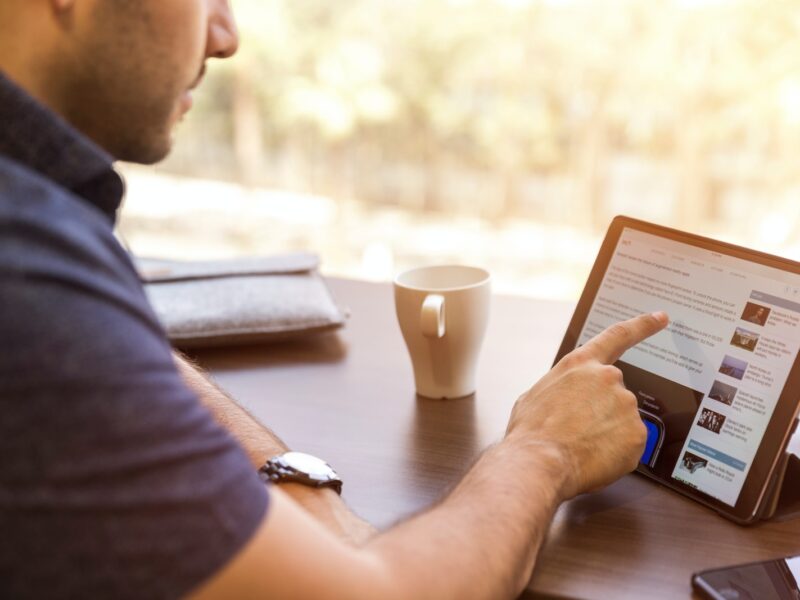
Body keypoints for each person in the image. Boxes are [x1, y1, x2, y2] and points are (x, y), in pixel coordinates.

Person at [0, 1, 669, 598]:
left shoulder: (39, 241)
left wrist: (295, 483)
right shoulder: (24, 270)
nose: (226, 35)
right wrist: (544, 449)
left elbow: (98, 347)